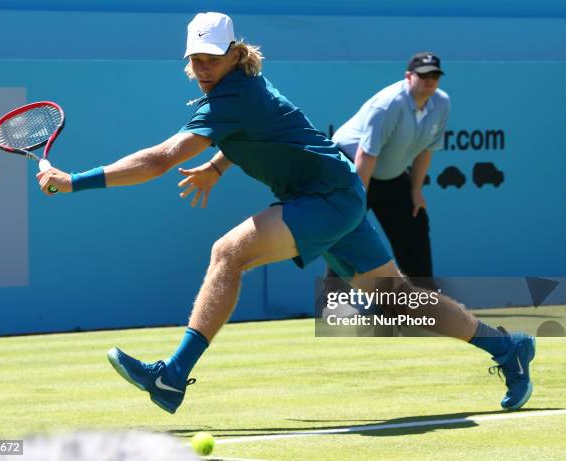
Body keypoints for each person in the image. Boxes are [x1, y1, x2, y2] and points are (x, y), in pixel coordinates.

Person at [36, 12, 535, 414]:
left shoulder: (232, 96)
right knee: (395, 298)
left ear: (233, 54)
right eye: (196, 59)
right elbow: (254, 134)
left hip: (324, 199)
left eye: (213, 57)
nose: (204, 67)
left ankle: (171, 377)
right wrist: (215, 165)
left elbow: (161, 159)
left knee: (227, 254)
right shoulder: (246, 87)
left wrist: (73, 181)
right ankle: (507, 347)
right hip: (336, 193)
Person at [332, 52, 449, 283]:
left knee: (415, 223)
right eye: (423, 75)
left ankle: (424, 300)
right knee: (345, 233)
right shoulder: (388, 104)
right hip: (353, 167)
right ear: (408, 76)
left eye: (435, 75)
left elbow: (426, 150)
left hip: (390, 174)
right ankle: (334, 303)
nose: (430, 80)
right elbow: (366, 154)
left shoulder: (441, 103)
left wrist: (415, 190)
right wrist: (358, 198)